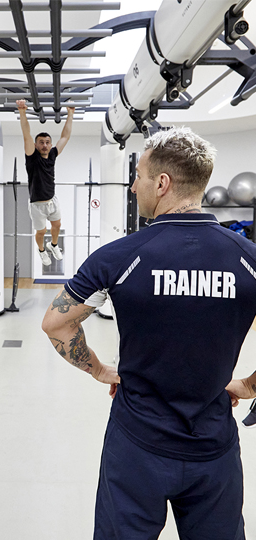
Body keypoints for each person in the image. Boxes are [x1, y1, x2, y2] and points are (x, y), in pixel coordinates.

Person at [42, 127, 256, 540]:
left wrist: (99, 370)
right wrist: (247, 385)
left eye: (138, 175)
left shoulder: (120, 256)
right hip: (213, 448)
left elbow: (56, 322)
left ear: (162, 183)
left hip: (137, 445)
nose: (133, 185)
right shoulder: (248, 258)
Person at [16, 99, 75, 266]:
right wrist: (22, 111)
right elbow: (26, 134)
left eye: (47, 142)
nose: (45, 145)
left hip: (52, 200)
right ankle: (41, 250)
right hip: (37, 204)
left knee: (57, 225)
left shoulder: (53, 154)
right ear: (36, 145)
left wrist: (70, 113)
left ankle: (53, 245)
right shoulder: (32, 157)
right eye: (41, 143)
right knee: (41, 231)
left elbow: (65, 136)